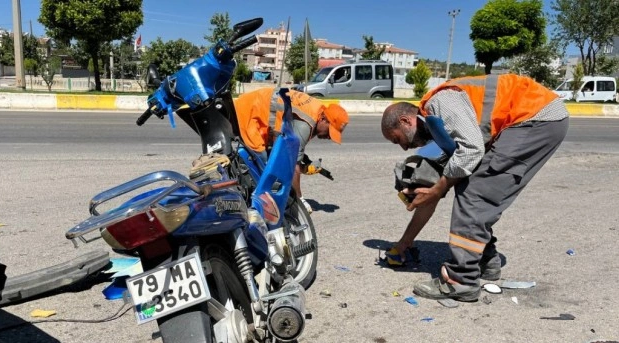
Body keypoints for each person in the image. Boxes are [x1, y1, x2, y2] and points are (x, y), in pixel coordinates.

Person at [381, 73, 569, 302]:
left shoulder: (439, 103)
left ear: (404, 121)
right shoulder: (438, 129)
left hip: (536, 118)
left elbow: (471, 151)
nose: (402, 148)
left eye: (396, 139)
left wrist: (441, 186)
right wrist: (404, 242)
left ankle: (460, 281)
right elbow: (435, 193)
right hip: (529, 120)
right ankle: (486, 261)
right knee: (470, 185)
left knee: (474, 193)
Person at [234, 87, 349, 212]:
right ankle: (249, 203)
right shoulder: (306, 123)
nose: (329, 137)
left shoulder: (318, 112)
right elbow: (293, 165)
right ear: (323, 119)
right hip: (250, 112)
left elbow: (290, 147)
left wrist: (304, 164)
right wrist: (299, 200)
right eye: (330, 132)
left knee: (270, 163)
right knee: (261, 165)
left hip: (255, 108)